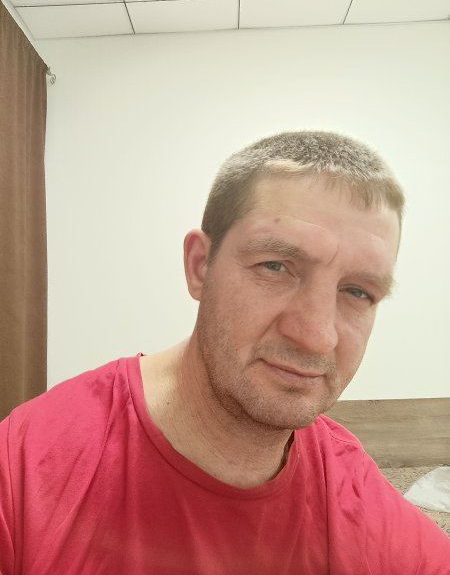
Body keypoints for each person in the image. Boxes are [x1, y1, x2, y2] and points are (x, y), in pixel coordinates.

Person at [1, 131, 449, 575]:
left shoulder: (355, 495)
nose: (317, 336)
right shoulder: (24, 472)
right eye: (275, 266)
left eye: (357, 291)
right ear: (200, 266)